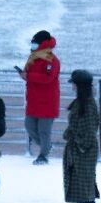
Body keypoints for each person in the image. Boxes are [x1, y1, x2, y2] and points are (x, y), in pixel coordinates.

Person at [63, 68, 101, 203]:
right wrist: (69, 135)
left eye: (74, 83)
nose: (72, 86)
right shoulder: (83, 102)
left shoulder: (87, 104)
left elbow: (89, 131)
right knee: (79, 187)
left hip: (83, 152)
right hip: (79, 150)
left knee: (82, 187)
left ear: (79, 85)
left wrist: (78, 145)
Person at [16, 30, 61, 164]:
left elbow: (48, 78)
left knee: (44, 131)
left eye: (35, 43)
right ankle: (46, 147)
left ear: (42, 44)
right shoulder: (33, 57)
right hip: (34, 100)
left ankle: (43, 155)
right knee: (29, 126)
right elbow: (28, 74)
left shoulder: (52, 59)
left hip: (48, 101)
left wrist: (28, 76)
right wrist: (24, 75)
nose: (33, 45)